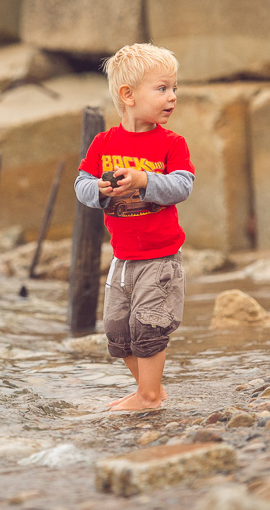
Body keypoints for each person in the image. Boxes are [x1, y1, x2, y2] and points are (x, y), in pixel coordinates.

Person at [74, 43, 195, 411]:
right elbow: (81, 185)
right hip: (122, 259)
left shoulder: (171, 144)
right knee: (117, 332)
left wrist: (144, 180)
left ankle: (147, 396)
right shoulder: (104, 143)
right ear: (128, 95)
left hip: (159, 258)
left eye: (174, 88)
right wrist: (98, 188)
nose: (172, 97)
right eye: (162, 89)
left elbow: (183, 186)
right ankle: (152, 391)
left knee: (149, 326)